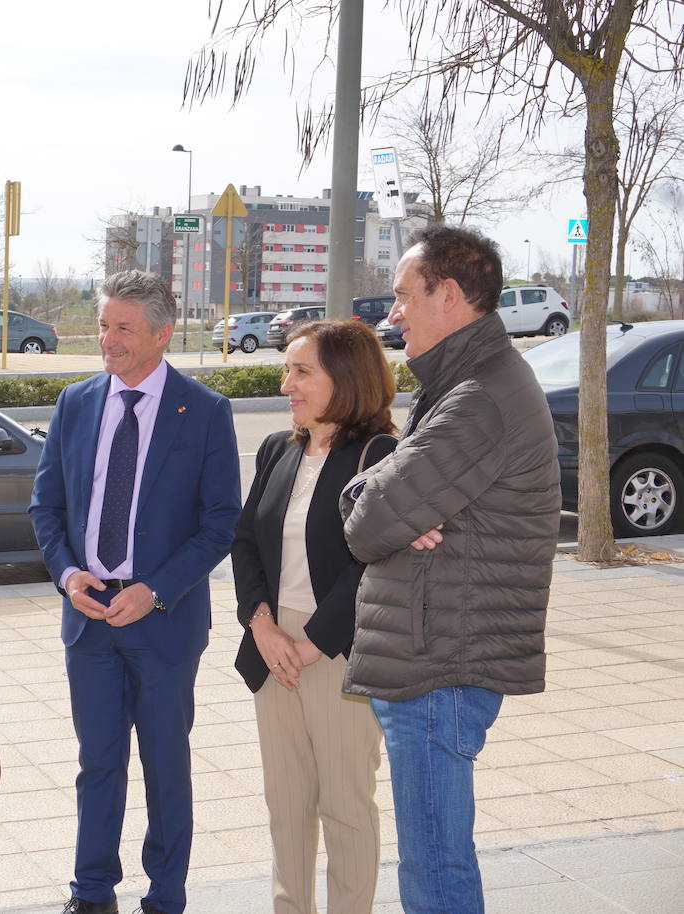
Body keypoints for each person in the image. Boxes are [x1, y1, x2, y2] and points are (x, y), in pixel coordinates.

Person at [342, 225, 560, 914]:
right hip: (435, 654)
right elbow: (375, 499)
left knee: (435, 866)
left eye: (404, 296)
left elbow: (367, 526)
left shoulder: (477, 399)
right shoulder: (464, 382)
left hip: (440, 663)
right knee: (434, 858)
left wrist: (380, 503)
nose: (393, 313)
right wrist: (379, 497)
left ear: (451, 295)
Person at [29, 270, 242, 914]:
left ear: (161, 334)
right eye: (103, 326)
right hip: (90, 618)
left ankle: (166, 896)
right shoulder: (76, 403)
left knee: (165, 766)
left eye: (122, 328)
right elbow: (46, 507)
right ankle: (91, 892)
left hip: (163, 622)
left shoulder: (204, 410)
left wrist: (155, 590)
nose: (108, 339)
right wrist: (68, 574)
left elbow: (220, 523)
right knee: (97, 763)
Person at [230, 319, 398, 914]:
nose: (286, 385)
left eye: (301, 371)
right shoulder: (278, 448)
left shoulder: (381, 456)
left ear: (345, 379)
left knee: (345, 806)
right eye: (287, 370)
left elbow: (378, 561)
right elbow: (245, 541)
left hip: (342, 648)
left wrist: (312, 643)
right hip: (272, 643)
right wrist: (261, 623)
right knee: (286, 804)